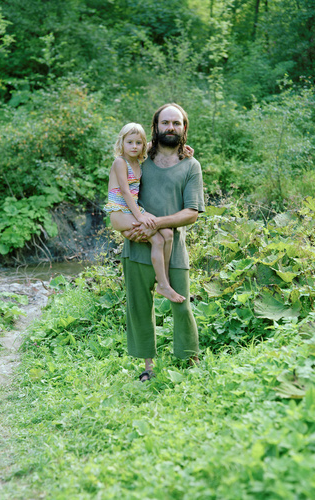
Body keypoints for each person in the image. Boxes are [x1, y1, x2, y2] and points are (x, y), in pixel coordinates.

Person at [121, 103, 205, 382]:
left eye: (176, 123)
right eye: (165, 123)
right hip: (137, 244)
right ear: (155, 127)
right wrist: (127, 228)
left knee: (182, 305)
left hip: (173, 249)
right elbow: (121, 194)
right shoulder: (139, 162)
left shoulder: (191, 166)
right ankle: (148, 368)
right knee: (140, 307)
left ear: (184, 128)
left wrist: (156, 223)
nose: (171, 128)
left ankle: (190, 361)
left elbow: (191, 213)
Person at [104, 123, 186, 303]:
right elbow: (125, 192)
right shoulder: (120, 162)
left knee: (167, 232)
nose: (134, 146)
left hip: (133, 211)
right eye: (129, 142)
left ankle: (162, 278)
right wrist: (140, 217)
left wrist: (182, 148)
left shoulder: (138, 160)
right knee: (156, 239)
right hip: (120, 211)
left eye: (138, 143)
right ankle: (163, 285)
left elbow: (154, 144)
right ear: (122, 143)